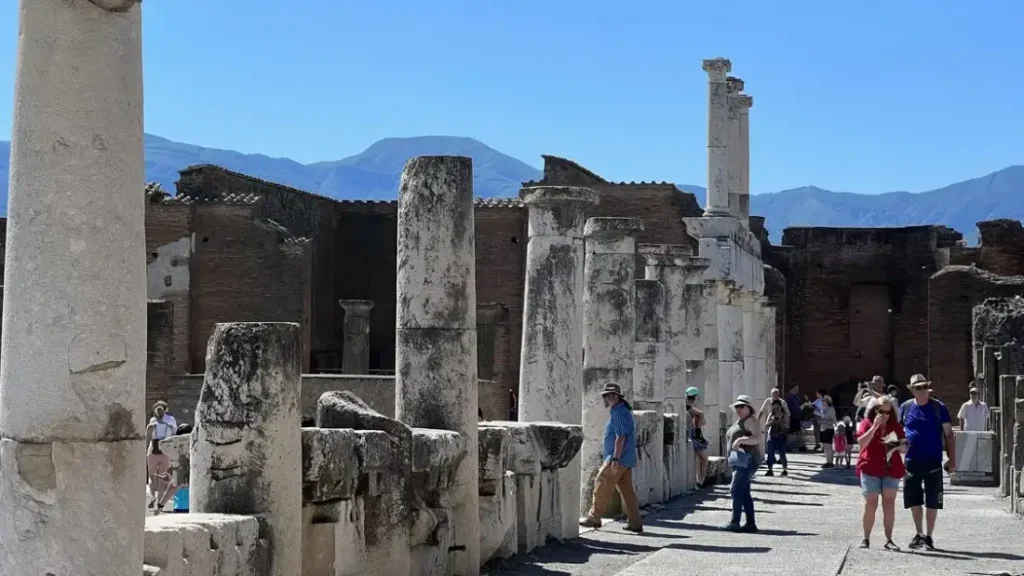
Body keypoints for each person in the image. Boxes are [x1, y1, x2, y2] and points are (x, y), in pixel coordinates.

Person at [897, 374, 956, 551]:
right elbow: (899, 433)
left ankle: (929, 536)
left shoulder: (939, 407)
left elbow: (949, 434)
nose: (922, 391)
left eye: (924, 387)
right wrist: (895, 456)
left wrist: (952, 459)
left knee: (932, 500)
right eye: (918, 388)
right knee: (913, 499)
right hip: (911, 460)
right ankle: (919, 533)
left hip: (933, 461)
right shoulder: (905, 407)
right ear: (912, 390)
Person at [580, 383, 643, 533]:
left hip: (618, 459)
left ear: (618, 396)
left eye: (613, 395)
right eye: (607, 395)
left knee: (601, 483)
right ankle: (635, 522)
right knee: (627, 492)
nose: (610, 397)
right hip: (626, 459)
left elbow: (620, 437)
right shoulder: (622, 410)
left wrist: (614, 458)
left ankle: (594, 517)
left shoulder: (619, 412)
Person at [856, 395, 906, 551]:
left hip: (891, 468)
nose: (885, 415)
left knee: (889, 503)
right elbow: (861, 444)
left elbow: (905, 448)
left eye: (888, 412)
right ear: (874, 410)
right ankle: (866, 538)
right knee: (871, 503)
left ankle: (889, 540)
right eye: (881, 411)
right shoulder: (866, 423)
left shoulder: (895, 426)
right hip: (871, 467)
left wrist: (896, 445)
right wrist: (874, 428)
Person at [724, 395, 763, 532]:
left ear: (749, 408)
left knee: (735, 489)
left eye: (742, 406)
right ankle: (750, 524)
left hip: (747, 461)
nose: (738, 409)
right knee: (744, 492)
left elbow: (757, 438)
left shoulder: (751, 420)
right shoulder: (741, 420)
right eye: (737, 406)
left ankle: (735, 522)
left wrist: (740, 440)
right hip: (740, 461)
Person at [685, 387, 710, 488]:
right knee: (704, 458)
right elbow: (700, 415)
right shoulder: (687, 405)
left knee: (699, 458)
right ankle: (701, 480)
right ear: (694, 396)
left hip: (693, 432)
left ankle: (699, 480)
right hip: (694, 434)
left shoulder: (689, 405)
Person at [147, 439, 178, 514]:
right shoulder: (172, 427)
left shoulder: (152, 427)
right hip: (165, 453)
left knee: (152, 476)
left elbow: (149, 440)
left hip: (153, 452)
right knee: (161, 478)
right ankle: (159, 503)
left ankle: (153, 496)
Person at [764, 398, 789, 477]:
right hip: (772, 435)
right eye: (774, 408)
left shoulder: (784, 415)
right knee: (770, 453)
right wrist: (773, 421)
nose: (776, 409)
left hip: (782, 435)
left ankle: (785, 469)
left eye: (777, 408)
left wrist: (780, 422)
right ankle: (770, 469)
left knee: (782, 453)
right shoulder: (771, 415)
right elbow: (766, 425)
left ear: (781, 407)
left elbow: (787, 426)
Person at [819, 395, 837, 468]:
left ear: (828, 402)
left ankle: (830, 462)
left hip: (829, 429)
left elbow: (834, 421)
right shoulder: (823, 409)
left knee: (828, 446)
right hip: (822, 428)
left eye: (824, 401)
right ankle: (827, 461)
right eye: (822, 401)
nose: (823, 402)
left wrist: (827, 422)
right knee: (825, 446)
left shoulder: (831, 409)